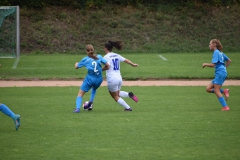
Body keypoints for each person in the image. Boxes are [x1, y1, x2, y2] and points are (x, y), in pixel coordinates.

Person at [73, 44, 110, 113]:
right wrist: (100, 70)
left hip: (90, 79)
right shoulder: (99, 56)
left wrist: (76, 63)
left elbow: (77, 67)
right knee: (94, 88)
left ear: (86, 51)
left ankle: (77, 109)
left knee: (80, 94)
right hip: (99, 79)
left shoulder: (85, 59)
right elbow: (108, 66)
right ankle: (90, 102)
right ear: (93, 50)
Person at [103, 41, 138, 111]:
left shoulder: (106, 57)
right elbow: (126, 60)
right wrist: (133, 64)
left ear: (106, 48)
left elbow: (107, 66)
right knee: (118, 93)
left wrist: (100, 70)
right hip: (119, 78)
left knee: (115, 96)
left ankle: (128, 108)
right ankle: (129, 94)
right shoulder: (116, 55)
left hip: (112, 78)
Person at [202, 39, 231, 111]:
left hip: (220, 73)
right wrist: (224, 68)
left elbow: (213, 65)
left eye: (210, 44)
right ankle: (224, 91)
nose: (209, 45)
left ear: (214, 44)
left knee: (216, 90)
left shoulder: (216, 53)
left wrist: (205, 64)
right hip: (221, 73)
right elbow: (229, 60)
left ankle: (226, 107)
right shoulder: (220, 53)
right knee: (208, 89)